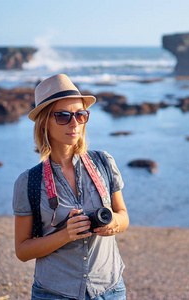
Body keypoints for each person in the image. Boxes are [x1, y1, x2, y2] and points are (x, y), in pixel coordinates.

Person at [13, 74, 129, 300]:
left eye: (80, 114)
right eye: (63, 116)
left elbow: (123, 216)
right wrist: (66, 235)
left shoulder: (104, 162)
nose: (74, 123)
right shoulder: (29, 182)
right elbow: (22, 250)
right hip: (54, 293)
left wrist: (113, 223)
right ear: (45, 121)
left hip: (110, 290)